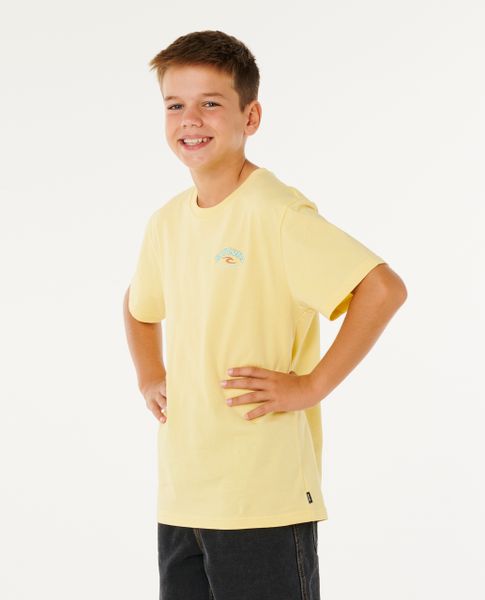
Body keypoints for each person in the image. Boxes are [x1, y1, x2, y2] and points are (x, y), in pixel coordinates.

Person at [123, 29, 407, 600]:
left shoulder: (276, 213)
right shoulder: (167, 222)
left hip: (262, 497)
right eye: (175, 105)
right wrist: (150, 374)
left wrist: (311, 386)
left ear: (250, 117)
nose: (190, 120)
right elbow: (139, 306)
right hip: (184, 496)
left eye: (210, 103)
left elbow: (382, 289)